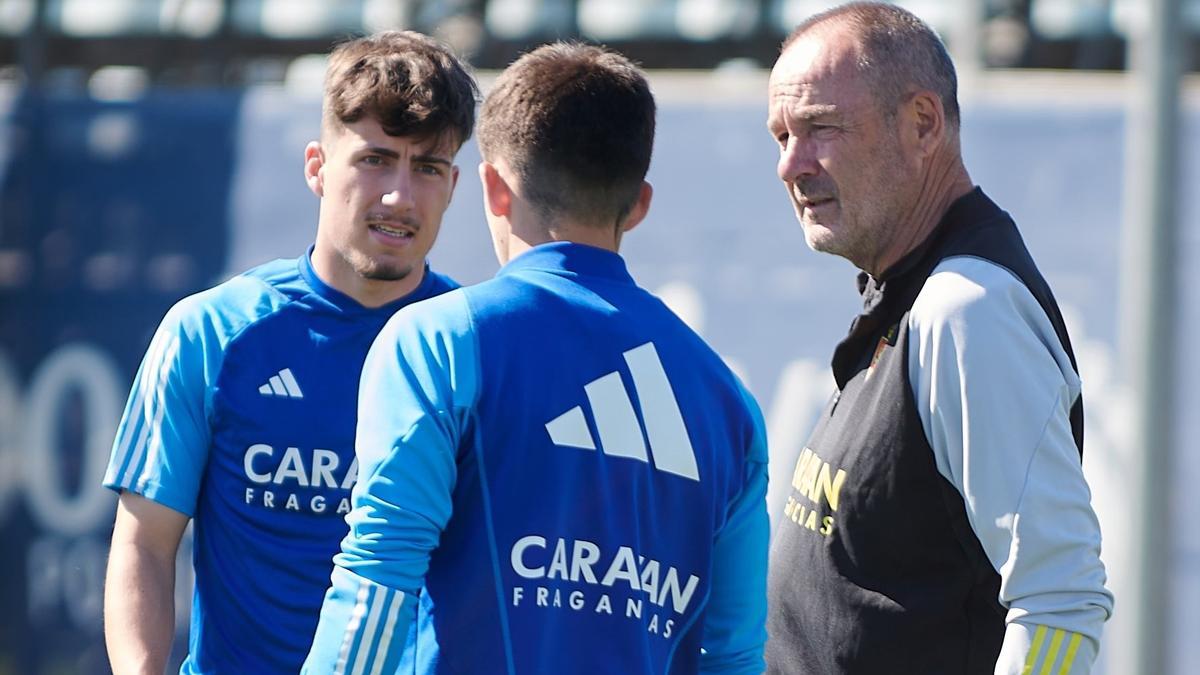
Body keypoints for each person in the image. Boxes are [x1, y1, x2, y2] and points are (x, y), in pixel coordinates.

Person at [302, 43, 769, 675]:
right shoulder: (728, 404)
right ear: (637, 204)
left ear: (493, 187)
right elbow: (733, 655)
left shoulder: (441, 340)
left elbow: (377, 584)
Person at [101, 30, 478, 674]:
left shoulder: (477, 348)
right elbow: (145, 543)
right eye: (375, 159)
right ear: (317, 167)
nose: (399, 196)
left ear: (453, 185)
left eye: (428, 168)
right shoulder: (209, 333)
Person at [763, 4, 1113, 674]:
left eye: (819, 128)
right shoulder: (913, 294)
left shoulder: (967, 310)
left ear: (923, 123)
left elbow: (1062, 601)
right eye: (780, 136)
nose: (791, 164)